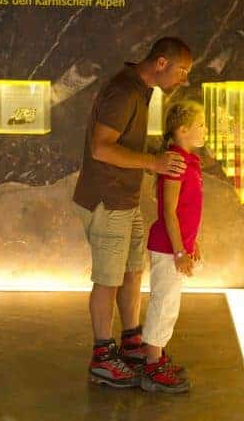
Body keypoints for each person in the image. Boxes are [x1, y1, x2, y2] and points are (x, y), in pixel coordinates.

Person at [73, 37, 193, 388]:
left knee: (130, 272)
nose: (184, 79)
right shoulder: (125, 92)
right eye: (182, 70)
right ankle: (102, 355)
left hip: (124, 199)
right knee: (108, 279)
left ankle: (130, 340)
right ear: (160, 63)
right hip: (107, 201)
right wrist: (153, 162)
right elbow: (100, 148)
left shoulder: (141, 90)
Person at [141, 100, 206, 393]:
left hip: (177, 246)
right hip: (168, 248)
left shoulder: (189, 160)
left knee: (170, 304)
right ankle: (152, 365)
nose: (205, 130)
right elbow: (168, 210)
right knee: (163, 303)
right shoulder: (176, 162)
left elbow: (187, 210)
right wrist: (179, 251)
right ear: (182, 130)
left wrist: (192, 242)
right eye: (200, 125)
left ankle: (158, 355)